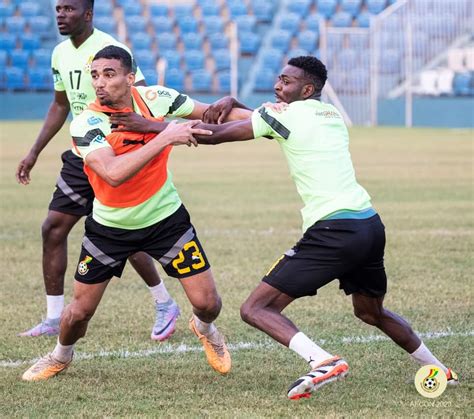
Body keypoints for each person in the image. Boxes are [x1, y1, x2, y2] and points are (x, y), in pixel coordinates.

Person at [116, 56, 460, 398]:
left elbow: (213, 135)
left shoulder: (282, 116)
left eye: (287, 82)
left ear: (307, 88)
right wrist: (234, 102)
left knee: (255, 309)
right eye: (278, 79)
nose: (278, 86)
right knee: (371, 311)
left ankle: (322, 361)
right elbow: (268, 122)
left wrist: (150, 126)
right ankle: (439, 368)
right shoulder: (330, 114)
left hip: (333, 231)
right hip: (369, 225)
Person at [22, 46, 235, 382]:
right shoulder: (86, 122)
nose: (100, 83)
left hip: (166, 220)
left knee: (208, 303)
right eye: (95, 75)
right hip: (110, 228)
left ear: (130, 78)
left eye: (109, 74)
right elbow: (113, 173)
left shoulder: (155, 97)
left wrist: (270, 115)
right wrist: (165, 135)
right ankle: (60, 355)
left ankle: (205, 329)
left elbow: (214, 115)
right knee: (78, 314)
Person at [15, 0, 180, 341]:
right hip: (82, 155)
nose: (61, 14)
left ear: (88, 14)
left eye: (69, 9)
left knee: (124, 232)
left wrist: (149, 139)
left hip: (118, 151)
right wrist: (33, 152)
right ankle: (53, 317)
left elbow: (142, 98)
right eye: (58, 9)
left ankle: (164, 302)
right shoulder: (59, 53)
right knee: (53, 228)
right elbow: (61, 105)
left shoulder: (112, 50)